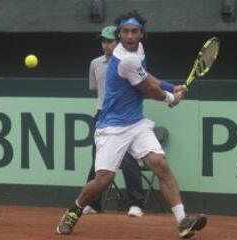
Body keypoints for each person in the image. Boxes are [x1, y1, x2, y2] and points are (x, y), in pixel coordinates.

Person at [56, 10, 207, 239]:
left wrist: (170, 87)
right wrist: (170, 98)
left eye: (134, 31)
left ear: (141, 35)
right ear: (119, 34)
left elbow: (147, 76)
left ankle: (182, 222)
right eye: (125, 32)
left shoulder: (138, 51)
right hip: (112, 127)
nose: (129, 36)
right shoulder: (126, 59)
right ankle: (74, 210)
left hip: (136, 123)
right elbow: (148, 89)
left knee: (160, 164)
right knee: (103, 180)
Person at [84, 25, 145, 217]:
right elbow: (97, 90)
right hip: (102, 117)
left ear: (118, 42)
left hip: (124, 118)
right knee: (98, 162)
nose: (106, 45)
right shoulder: (95, 64)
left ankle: (136, 204)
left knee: (127, 161)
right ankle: (93, 204)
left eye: (110, 41)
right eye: (103, 41)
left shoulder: (128, 62)